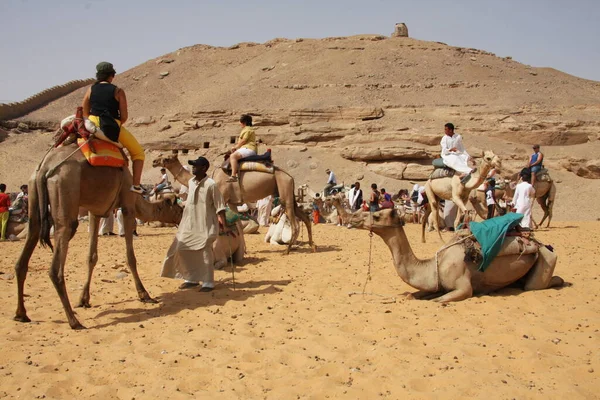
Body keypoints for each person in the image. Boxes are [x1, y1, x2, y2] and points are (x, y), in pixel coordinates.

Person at [161, 156, 227, 292]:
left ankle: (208, 282)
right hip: (189, 224)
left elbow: (220, 205)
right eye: (193, 165)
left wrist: (223, 222)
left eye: (196, 166)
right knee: (182, 248)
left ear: (204, 168)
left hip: (205, 224)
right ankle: (191, 279)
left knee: (204, 251)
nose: (193, 168)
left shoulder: (211, 184)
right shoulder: (191, 182)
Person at [82, 62, 146, 194]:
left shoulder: (91, 89)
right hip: (111, 125)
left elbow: (85, 111)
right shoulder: (118, 91)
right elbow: (124, 117)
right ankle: (136, 185)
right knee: (138, 152)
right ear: (112, 75)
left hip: (92, 123)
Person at [227, 114, 258, 182]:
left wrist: (235, 147)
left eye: (241, 122)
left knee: (233, 156)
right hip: (245, 149)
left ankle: (233, 175)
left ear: (244, 122)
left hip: (249, 148)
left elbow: (244, 140)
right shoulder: (247, 129)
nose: (240, 124)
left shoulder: (248, 129)